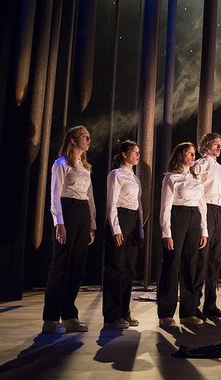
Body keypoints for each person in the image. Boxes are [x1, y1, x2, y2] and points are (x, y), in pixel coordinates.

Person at [42, 126, 97, 335]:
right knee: (61, 266)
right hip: (67, 211)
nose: (88, 140)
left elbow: (90, 198)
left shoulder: (85, 168)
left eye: (89, 137)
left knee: (77, 267)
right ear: (73, 140)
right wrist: (59, 223)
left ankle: (70, 316)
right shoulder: (61, 164)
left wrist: (92, 224)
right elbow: (55, 195)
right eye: (84, 137)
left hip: (82, 213)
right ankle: (50, 319)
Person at [158, 142, 208, 327]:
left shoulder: (196, 179)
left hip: (194, 219)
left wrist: (204, 230)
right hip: (177, 218)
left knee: (191, 265)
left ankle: (188, 312)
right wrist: (166, 233)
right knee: (172, 264)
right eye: (189, 153)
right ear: (180, 156)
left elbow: (202, 206)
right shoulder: (171, 178)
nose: (193, 156)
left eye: (194, 153)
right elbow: (165, 207)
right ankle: (166, 314)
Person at [102, 140, 144, 330]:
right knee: (115, 268)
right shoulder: (115, 175)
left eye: (138, 152)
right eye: (134, 152)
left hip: (133, 220)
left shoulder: (135, 178)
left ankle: (124, 312)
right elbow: (111, 204)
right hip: (119, 219)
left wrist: (139, 229)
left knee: (128, 269)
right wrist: (116, 228)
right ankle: (112, 315)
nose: (138, 155)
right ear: (124, 154)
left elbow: (138, 205)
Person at [192, 133, 221, 320]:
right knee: (201, 260)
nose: (219, 147)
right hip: (205, 210)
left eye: (220, 144)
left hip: (219, 213)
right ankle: (194, 305)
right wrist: (202, 220)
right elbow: (196, 193)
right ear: (205, 145)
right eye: (215, 143)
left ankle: (211, 304)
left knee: (215, 261)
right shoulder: (198, 165)